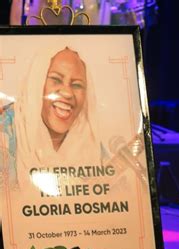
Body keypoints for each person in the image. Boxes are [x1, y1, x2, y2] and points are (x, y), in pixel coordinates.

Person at [0, 47, 102, 188]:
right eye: (56, 79)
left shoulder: (91, 144)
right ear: (36, 82)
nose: (67, 93)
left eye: (77, 85)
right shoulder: (5, 134)